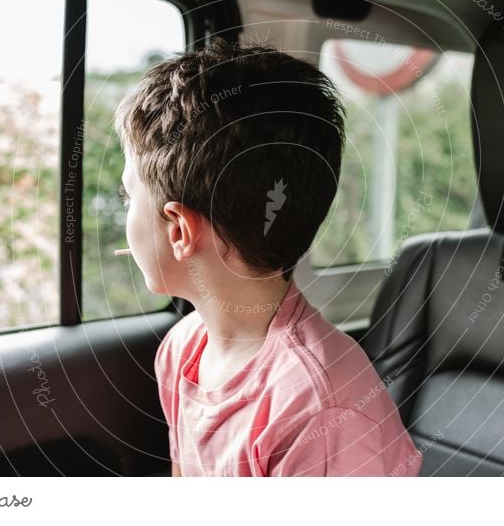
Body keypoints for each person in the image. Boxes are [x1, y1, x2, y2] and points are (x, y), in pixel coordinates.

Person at [114, 38, 422, 477]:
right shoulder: (182, 351)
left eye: (128, 196)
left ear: (179, 230)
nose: (125, 212)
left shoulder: (320, 409)